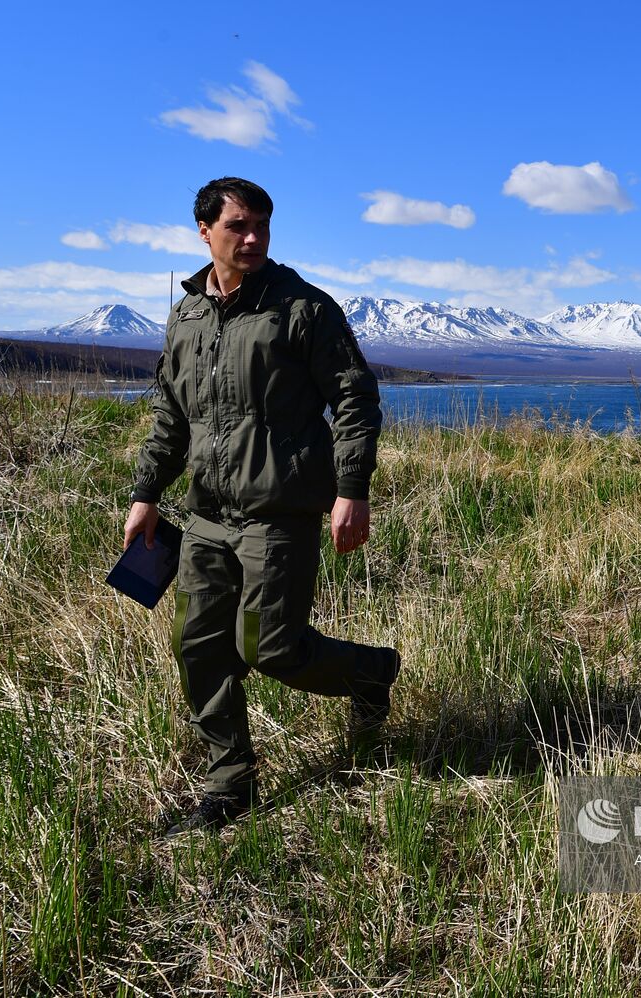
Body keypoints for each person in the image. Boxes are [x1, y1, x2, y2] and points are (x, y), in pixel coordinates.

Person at [123, 177, 400, 837]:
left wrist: (351, 489)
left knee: (271, 646)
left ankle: (369, 671)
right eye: (238, 227)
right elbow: (171, 416)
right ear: (204, 232)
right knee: (199, 648)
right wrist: (145, 493)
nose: (251, 239)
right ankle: (230, 785)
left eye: (261, 228)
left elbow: (355, 398)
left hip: (280, 510)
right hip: (205, 516)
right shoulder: (185, 315)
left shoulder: (302, 309)